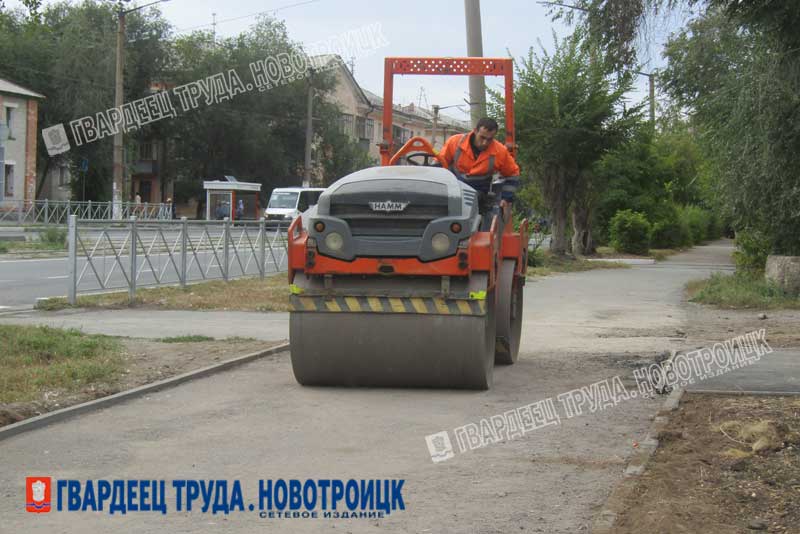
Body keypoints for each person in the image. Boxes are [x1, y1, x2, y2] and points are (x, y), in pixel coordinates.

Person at [436, 117, 520, 204]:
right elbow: (439, 164)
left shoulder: (500, 151)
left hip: (480, 195)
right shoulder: (455, 142)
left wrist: (506, 198)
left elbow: (513, 174)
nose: (484, 143)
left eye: (489, 139)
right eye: (482, 137)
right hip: (453, 190)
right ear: (475, 131)